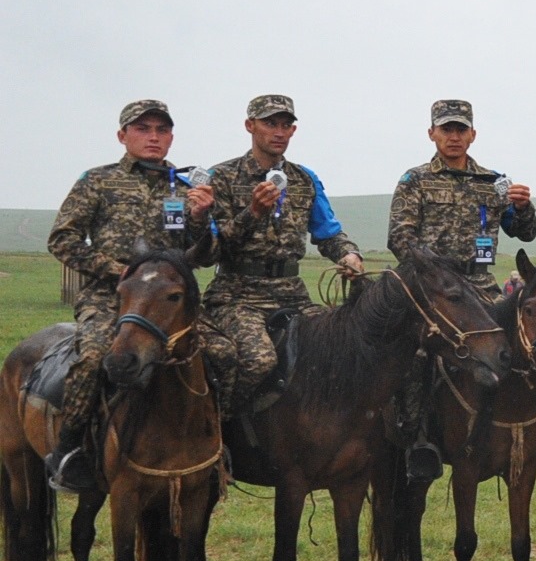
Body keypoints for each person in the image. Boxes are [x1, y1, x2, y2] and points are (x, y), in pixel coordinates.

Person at [42, 99, 221, 491]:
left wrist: (201, 218)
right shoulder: (98, 180)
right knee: (92, 358)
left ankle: (214, 446)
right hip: (111, 296)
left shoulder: (187, 186)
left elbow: (204, 256)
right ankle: (69, 450)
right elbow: (62, 238)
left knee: (221, 353)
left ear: (171, 137)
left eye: (161, 130)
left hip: (167, 302)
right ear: (123, 136)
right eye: (142, 129)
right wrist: (115, 269)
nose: (153, 137)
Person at [386, 99, 536, 479]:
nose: (453, 137)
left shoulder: (493, 182)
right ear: (432, 134)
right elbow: (399, 237)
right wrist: (432, 271)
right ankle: (417, 437)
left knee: (515, 346)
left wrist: (523, 209)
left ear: (472, 135)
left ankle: (521, 430)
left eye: (460, 130)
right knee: (416, 354)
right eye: (446, 129)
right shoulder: (415, 180)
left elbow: (525, 233)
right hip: (431, 290)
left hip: (481, 285)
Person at [202, 95, 364, 421]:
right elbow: (209, 251)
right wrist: (252, 213)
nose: (279, 132)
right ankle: (219, 436)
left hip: (292, 292)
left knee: (344, 349)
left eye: (285, 125)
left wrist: (349, 254)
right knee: (258, 360)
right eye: (270, 123)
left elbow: (328, 232)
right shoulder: (220, 178)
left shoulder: (304, 179)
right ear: (250, 126)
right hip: (237, 296)